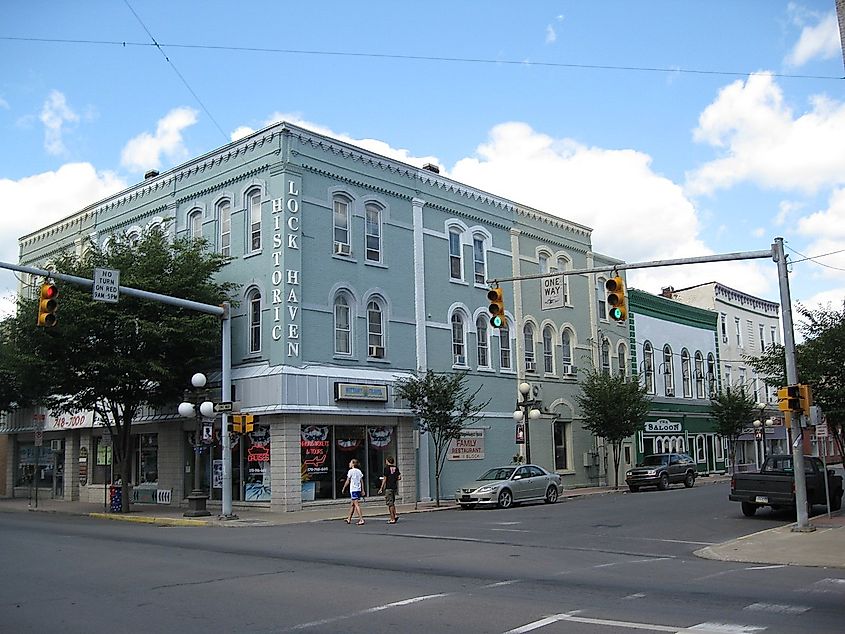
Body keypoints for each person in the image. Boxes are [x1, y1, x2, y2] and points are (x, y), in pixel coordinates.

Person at [341, 458, 366, 525]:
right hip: (358, 489)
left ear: (353, 464)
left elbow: (347, 481)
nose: (349, 464)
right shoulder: (359, 471)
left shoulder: (351, 471)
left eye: (350, 462)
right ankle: (349, 518)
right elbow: (361, 481)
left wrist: (343, 488)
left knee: (356, 504)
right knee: (352, 504)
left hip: (354, 489)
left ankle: (361, 519)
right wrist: (363, 490)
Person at [378, 456, 401, 523]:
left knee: (390, 504)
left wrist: (381, 488)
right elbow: (399, 477)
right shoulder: (396, 468)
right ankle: (395, 515)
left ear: (387, 461)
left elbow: (385, 478)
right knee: (392, 502)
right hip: (394, 487)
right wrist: (394, 478)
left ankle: (392, 518)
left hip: (389, 487)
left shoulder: (386, 468)